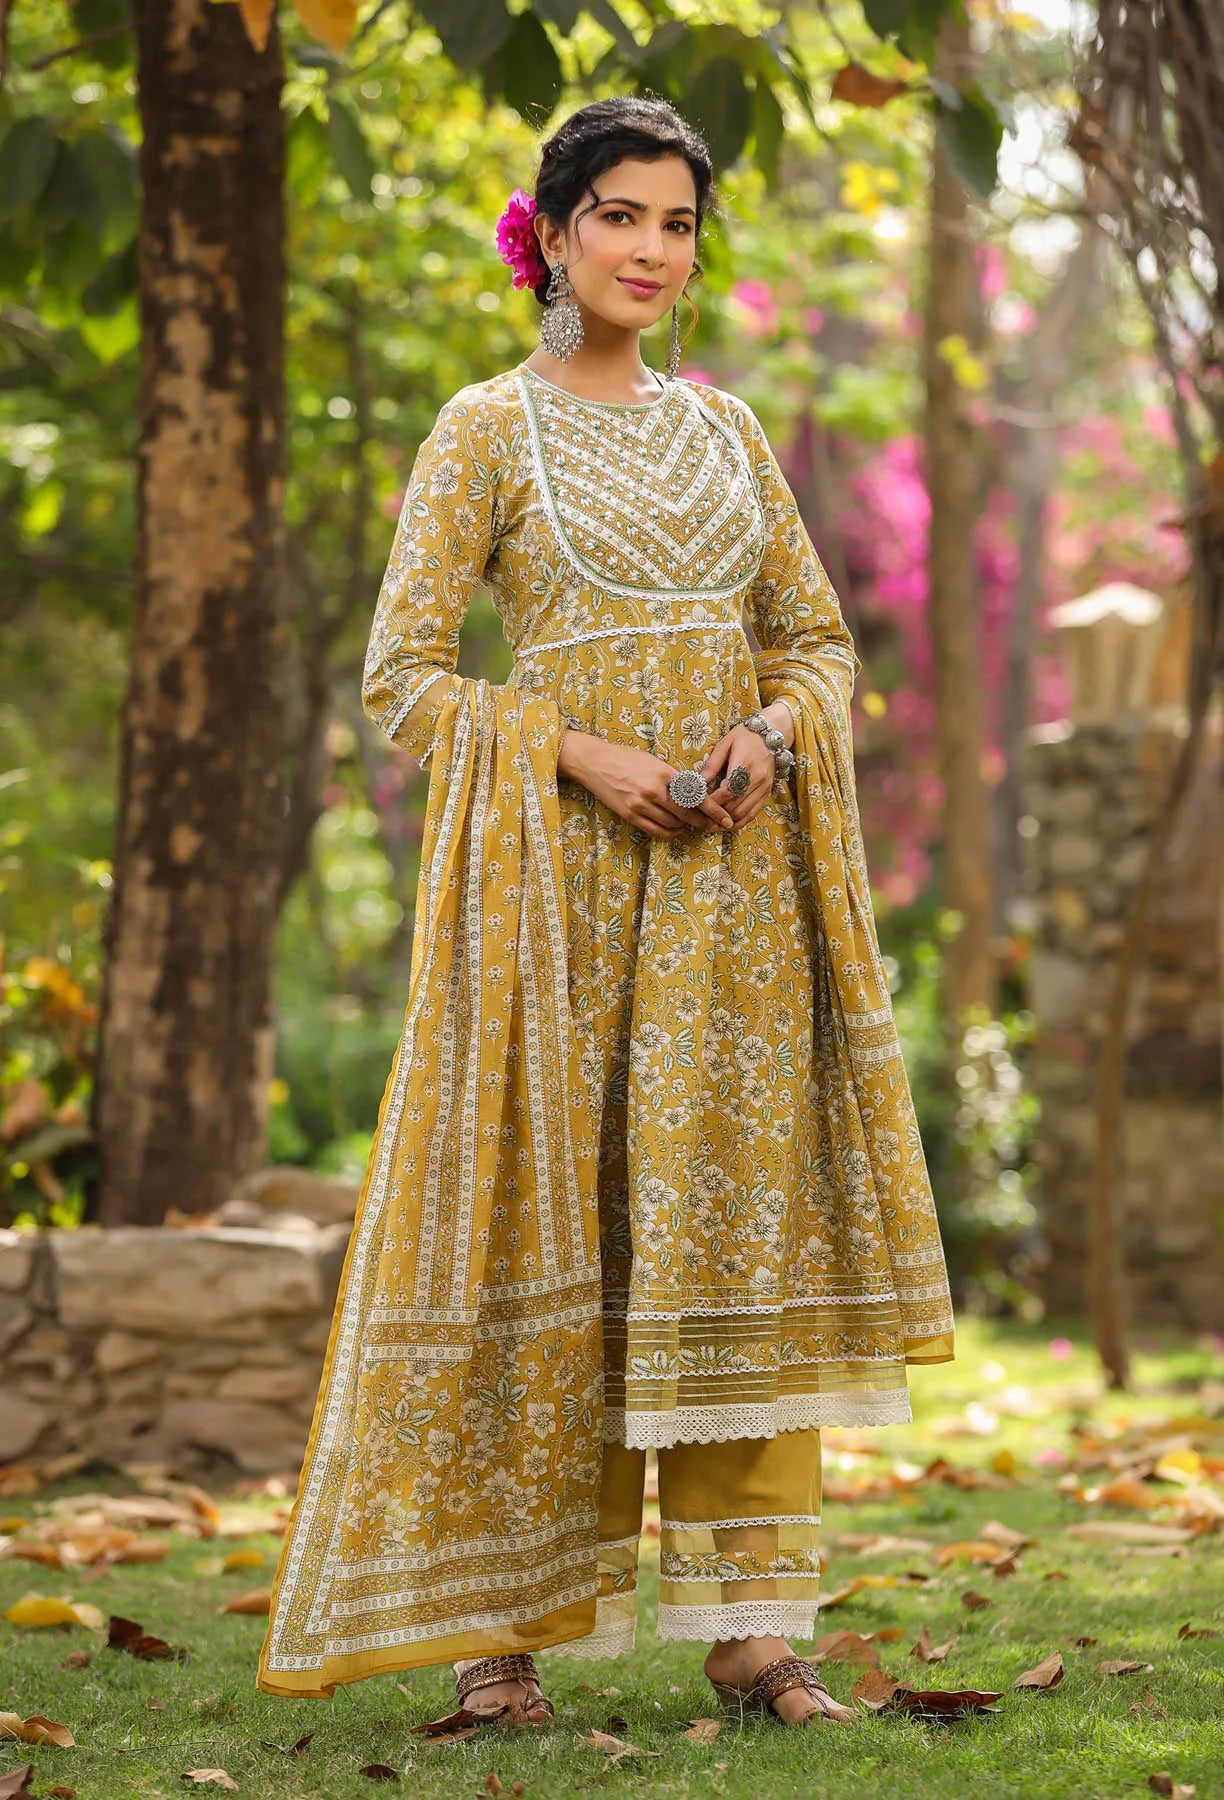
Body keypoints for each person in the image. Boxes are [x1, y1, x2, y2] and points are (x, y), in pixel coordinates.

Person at [256, 94, 954, 1730]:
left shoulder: (728, 434)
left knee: (729, 1237)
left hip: (730, 903)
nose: (654, 250)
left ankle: (752, 1636)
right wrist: (573, 752)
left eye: (680, 223)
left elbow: (822, 643)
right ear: (554, 234)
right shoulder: (483, 430)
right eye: (623, 217)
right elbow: (404, 676)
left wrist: (769, 734)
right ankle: (506, 1637)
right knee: (543, 1222)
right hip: (551, 904)